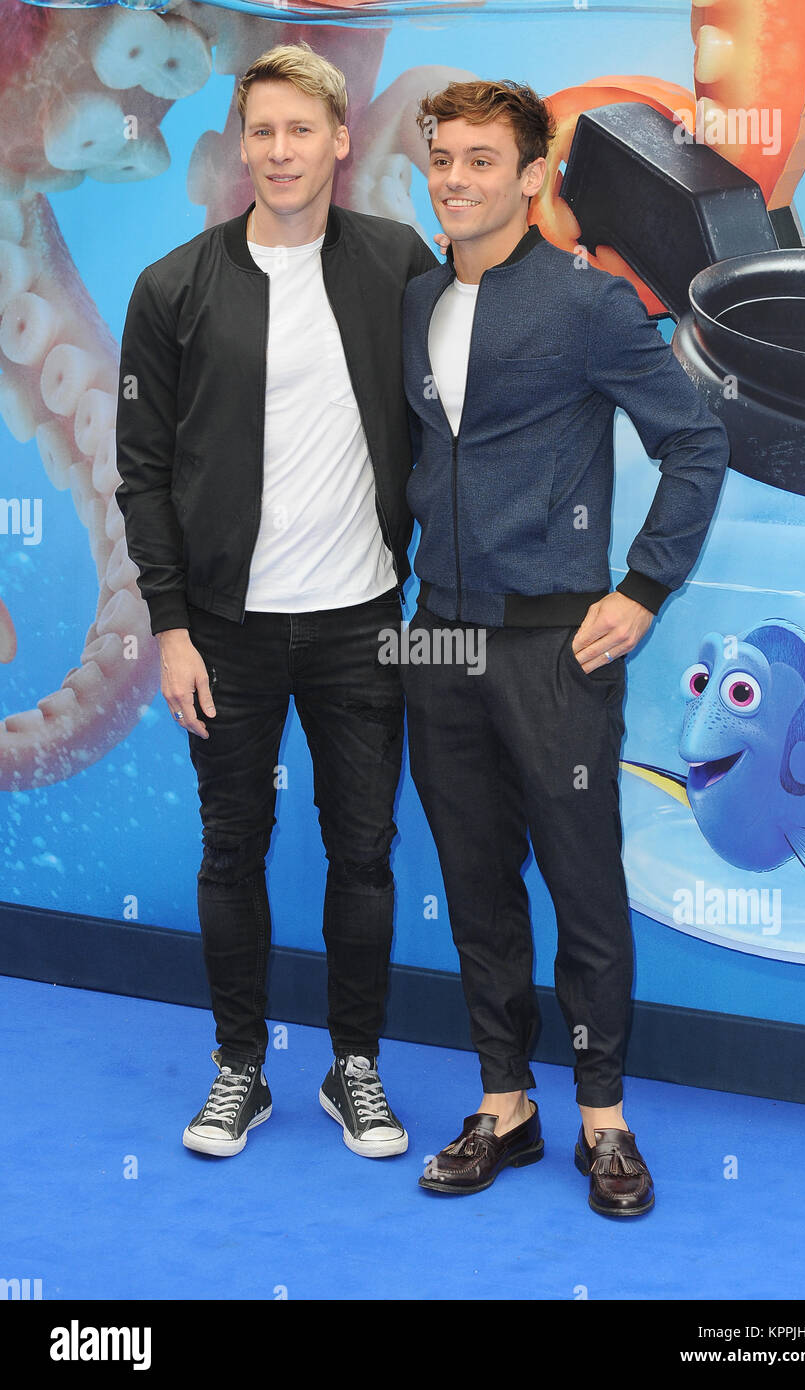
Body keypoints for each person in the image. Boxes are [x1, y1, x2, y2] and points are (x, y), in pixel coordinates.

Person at [400, 80, 730, 1214]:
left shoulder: (589, 305)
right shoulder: (416, 300)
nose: (457, 179)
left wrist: (642, 588)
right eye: (442, 159)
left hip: (555, 648)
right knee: (474, 880)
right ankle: (506, 1103)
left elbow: (695, 441)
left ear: (534, 176)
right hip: (436, 640)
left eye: (483, 161)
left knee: (584, 888)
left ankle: (604, 1118)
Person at [115, 43, 437, 1160]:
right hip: (226, 633)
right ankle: (239, 1068)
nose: (281, 150)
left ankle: (355, 1067)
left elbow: (461, 409)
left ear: (340, 140)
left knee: (364, 851)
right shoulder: (171, 287)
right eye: (262, 130)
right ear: (240, 142)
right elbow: (142, 472)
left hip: (362, 620)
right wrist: (170, 626)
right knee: (230, 845)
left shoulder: (400, 262)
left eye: (302, 129)